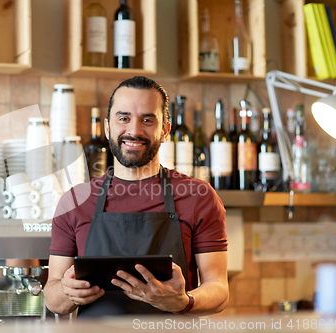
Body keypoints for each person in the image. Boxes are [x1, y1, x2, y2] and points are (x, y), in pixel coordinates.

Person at [43, 76, 228, 317]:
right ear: (107, 127)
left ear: (165, 131)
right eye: (124, 118)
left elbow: (219, 289)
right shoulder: (74, 201)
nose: (134, 130)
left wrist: (184, 301)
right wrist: (67, 292)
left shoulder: (199, 196)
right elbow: (53, 297)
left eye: (147, 120)